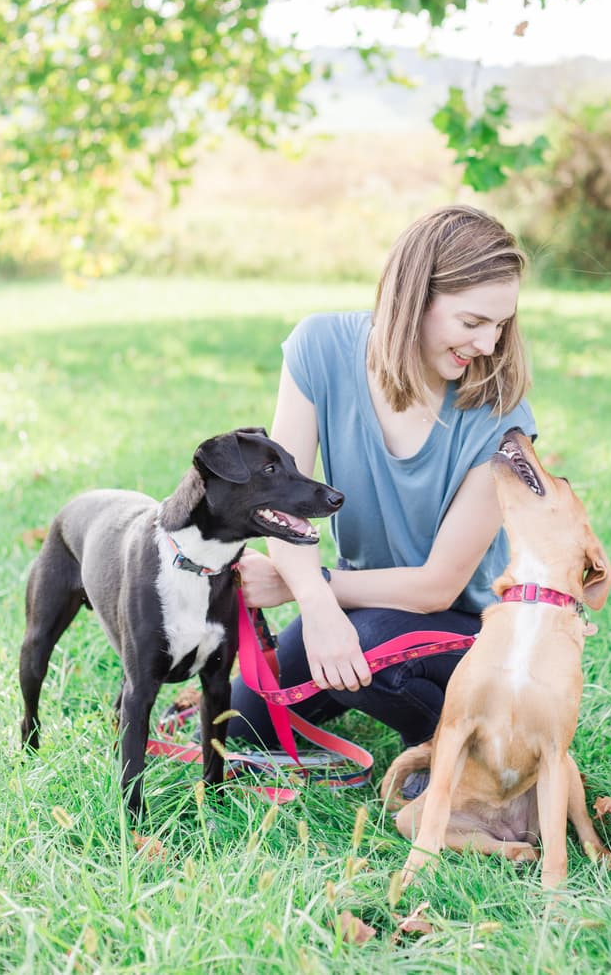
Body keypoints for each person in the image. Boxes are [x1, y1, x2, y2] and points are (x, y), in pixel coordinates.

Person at [226, 205, 537, 773]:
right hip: (362, 602)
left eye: (501, 325)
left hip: (474, 630)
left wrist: (308, 586)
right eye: (472, 323)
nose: (490, 345)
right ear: (414, 297)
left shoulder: (501, 417)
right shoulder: (319, 348)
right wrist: (318, 608)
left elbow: (436, 588)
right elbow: (279, 508)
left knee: (366, 649)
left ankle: (459, 755)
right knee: (242, 720)